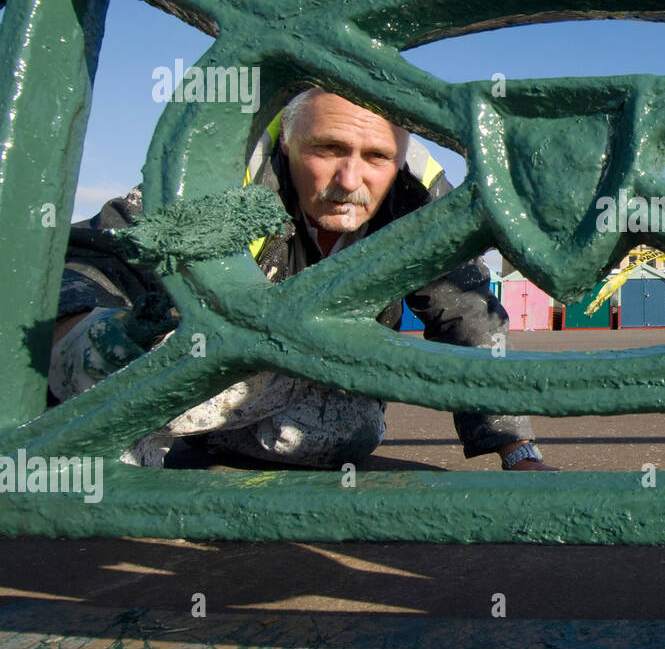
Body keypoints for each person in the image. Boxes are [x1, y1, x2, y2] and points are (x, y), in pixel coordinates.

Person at [49, 86, 556, 471]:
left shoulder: (418, 199)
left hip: (310, 376)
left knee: (353, 429)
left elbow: (467, 312)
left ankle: (217, 442)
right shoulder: (228, 178)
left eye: (376, 157)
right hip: (199, 358)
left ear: (398, 156)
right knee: (93, 369)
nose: (350, 180)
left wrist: (518, 450)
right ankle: (116, 445)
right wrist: (81, 347)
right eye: (328, 149)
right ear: (289, 144)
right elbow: (105, 250)